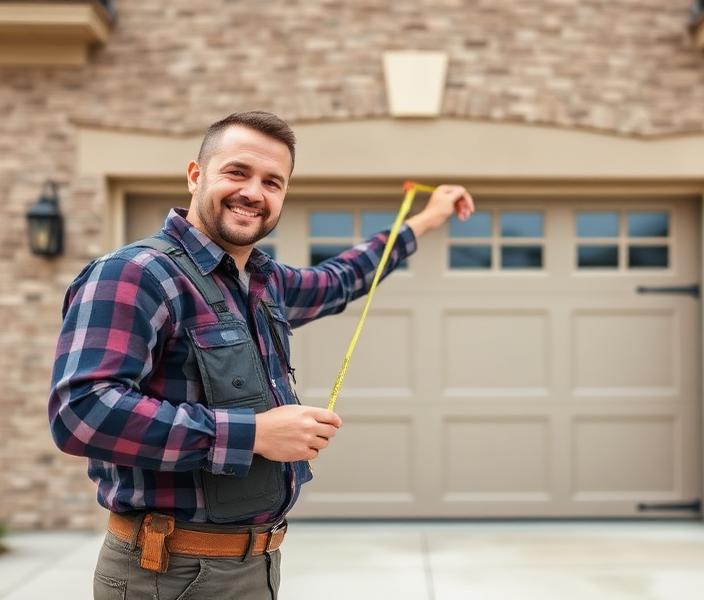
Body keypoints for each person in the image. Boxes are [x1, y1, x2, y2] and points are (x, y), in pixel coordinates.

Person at [48, 111, 475, 599]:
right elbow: (81, 412)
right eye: (237, 172)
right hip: (166, 572)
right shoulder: (134, 273)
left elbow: (341, 278)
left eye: (273, 182)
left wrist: (424, 220)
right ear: (195, 174)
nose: (254, 192)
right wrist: (254, 434)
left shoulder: (264, 283)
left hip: (256, 566)